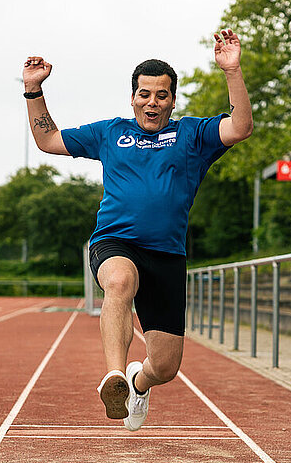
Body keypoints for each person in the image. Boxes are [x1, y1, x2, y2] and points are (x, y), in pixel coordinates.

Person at [22, 29, 253, 431]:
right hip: (115, 241)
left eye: (161, 95)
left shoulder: (193, 135)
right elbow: (47, 139)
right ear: (133, 98)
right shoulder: (110, 132)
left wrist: (231, 70)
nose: (152, 102)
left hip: (167, 254)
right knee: (119, 282)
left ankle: (138, 382)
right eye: (144, 94)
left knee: (165, 366)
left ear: (172, 101)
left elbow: (240, 127)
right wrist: (32, 89)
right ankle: (114, 377)